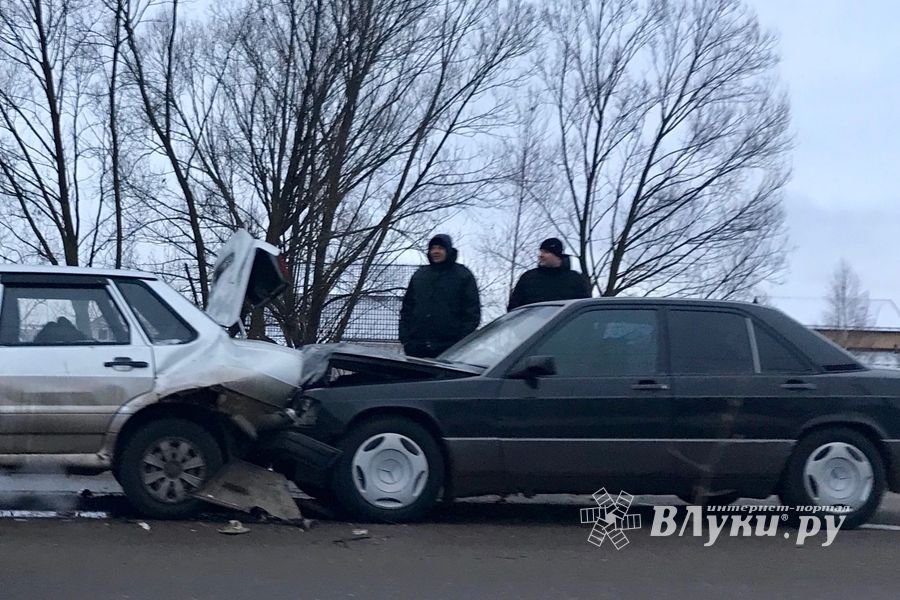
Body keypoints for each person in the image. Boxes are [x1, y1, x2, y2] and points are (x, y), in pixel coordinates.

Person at [399, 234, 481, 358]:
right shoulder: (419, 275)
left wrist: (460, 342)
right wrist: (405, 338)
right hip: (416, 347)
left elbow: (472, 313)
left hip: (450, 348)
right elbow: (407, 308)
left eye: (440, 248)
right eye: (433, 248)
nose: (435, 252)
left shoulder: (463, 276)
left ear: (448, 250)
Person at [507, 237, 591, 311]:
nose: (541, 255)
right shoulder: (528, 278)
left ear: (557, 255)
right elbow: (514, 308)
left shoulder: (575, 279)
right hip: (531, 326)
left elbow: (583, 308)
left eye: (546, 252)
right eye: (541, 252)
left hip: (565, 327)